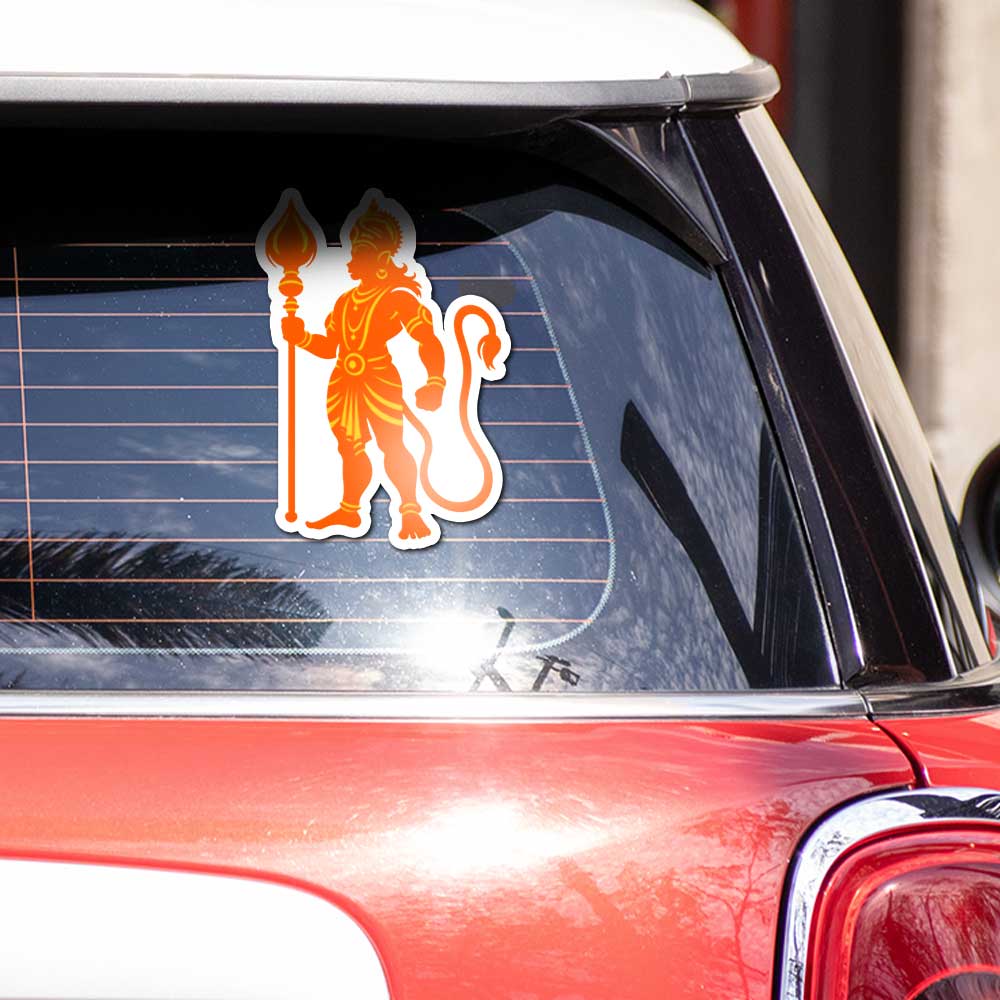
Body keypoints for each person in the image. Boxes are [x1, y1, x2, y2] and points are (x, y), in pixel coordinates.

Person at [281, 198, 445, 542]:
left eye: (360, 252)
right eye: (354, 251)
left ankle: (410, 511)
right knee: (349, 447)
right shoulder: (344, 302)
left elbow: (427, 340)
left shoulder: (398, 298)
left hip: (380, 378)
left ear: (381, 258)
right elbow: (330, 347)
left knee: (391, 444)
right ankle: (350, 510)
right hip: (343, 381)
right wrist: (301, 337)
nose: (351, 259)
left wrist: (435, 382)